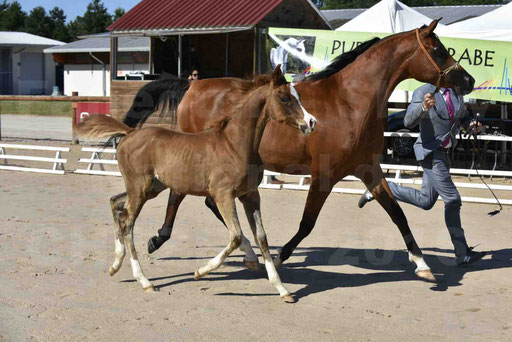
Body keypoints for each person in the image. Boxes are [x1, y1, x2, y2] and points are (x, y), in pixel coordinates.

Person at [358, 83, 486, 266]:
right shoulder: (423, 91)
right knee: (452, 199)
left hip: (445, 153)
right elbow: (409, 121)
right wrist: (423, 107)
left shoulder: (455, 92)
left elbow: (463, 115)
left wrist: (471, 124)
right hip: (430, 153)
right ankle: (462, 252)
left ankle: (379, 189)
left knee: (426, 201)